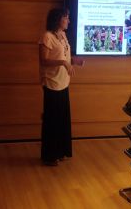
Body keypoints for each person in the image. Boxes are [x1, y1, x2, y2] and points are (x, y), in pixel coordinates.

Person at [39, 8, 84, 166]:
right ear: (58, 19)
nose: (68, 21)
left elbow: (63, 56)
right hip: (52, 83)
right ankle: (50, 156)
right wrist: (64, 62)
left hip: (64, 82)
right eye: (66, 18)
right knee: (52, 120)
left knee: (62, 120)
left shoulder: (63, 36)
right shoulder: (47, 36)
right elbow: (44, 61)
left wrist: (73, 60)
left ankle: (61, 151)